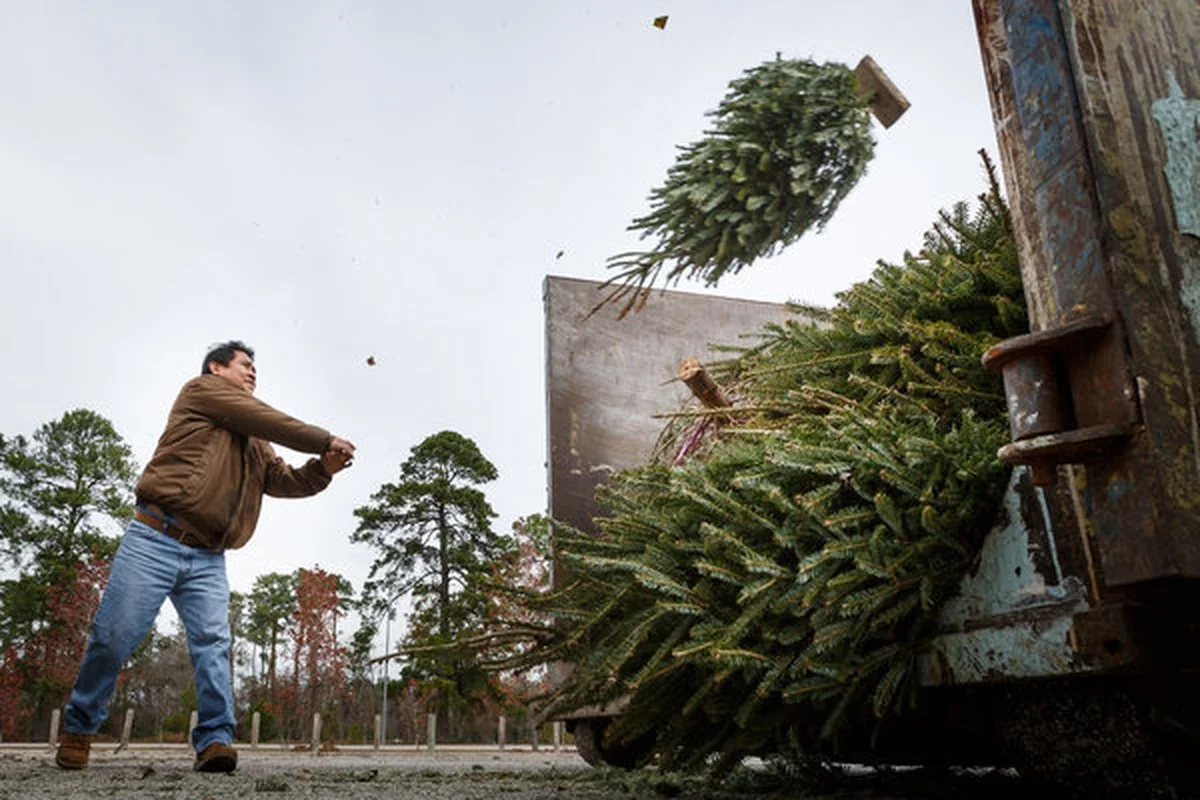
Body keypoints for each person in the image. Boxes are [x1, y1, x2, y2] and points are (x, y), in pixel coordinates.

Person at [55, 341, 356, 773]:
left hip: (208, 557)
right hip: (155, 537)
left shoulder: (255, 440)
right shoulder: (200, 393)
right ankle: (79, 728)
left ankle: (215, 740)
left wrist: (322, 468)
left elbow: (282, 479)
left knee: (214, 645)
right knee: (114, 635)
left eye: (256, 369)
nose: (253, 373)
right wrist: (323, 439)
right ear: (216, 368)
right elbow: (269, 418)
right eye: (245, 365)